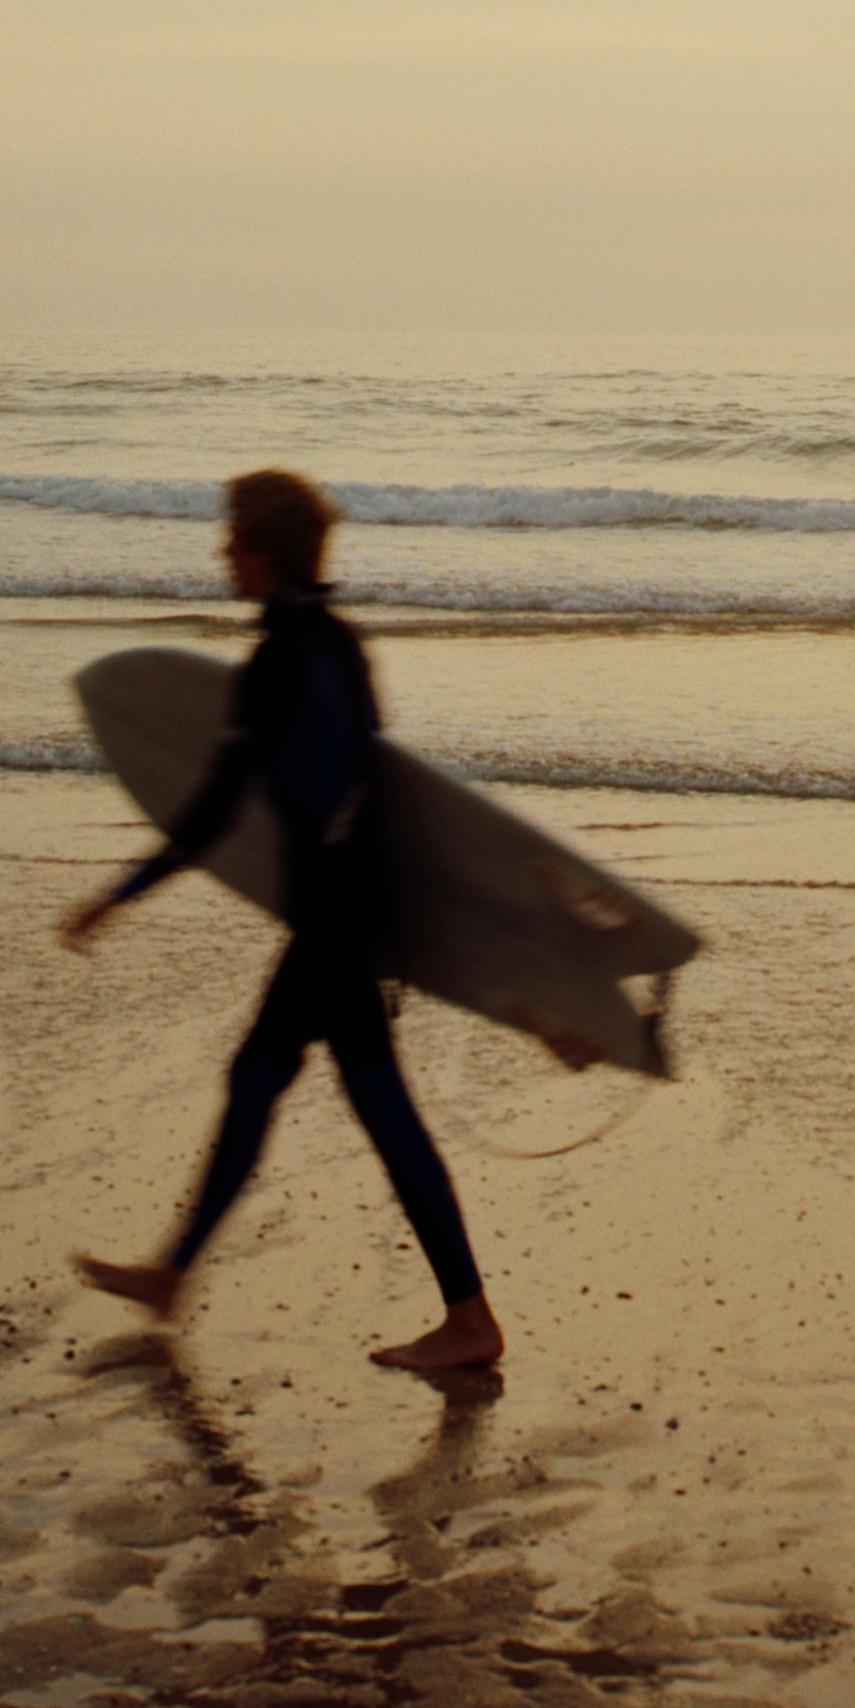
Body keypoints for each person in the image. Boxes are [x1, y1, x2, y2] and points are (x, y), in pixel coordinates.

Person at [60, 468, 503, 1375]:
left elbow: (217, 810)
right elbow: (381, 785)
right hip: (353, 910)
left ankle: (468, 1320)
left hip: (335, 924)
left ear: (261, 554)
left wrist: (121, 893)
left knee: (375, 1114)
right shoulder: (340, 644)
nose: (221, 554)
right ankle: (173, 1273)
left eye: (231, 540)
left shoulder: (276, 664)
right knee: (261, 1079)